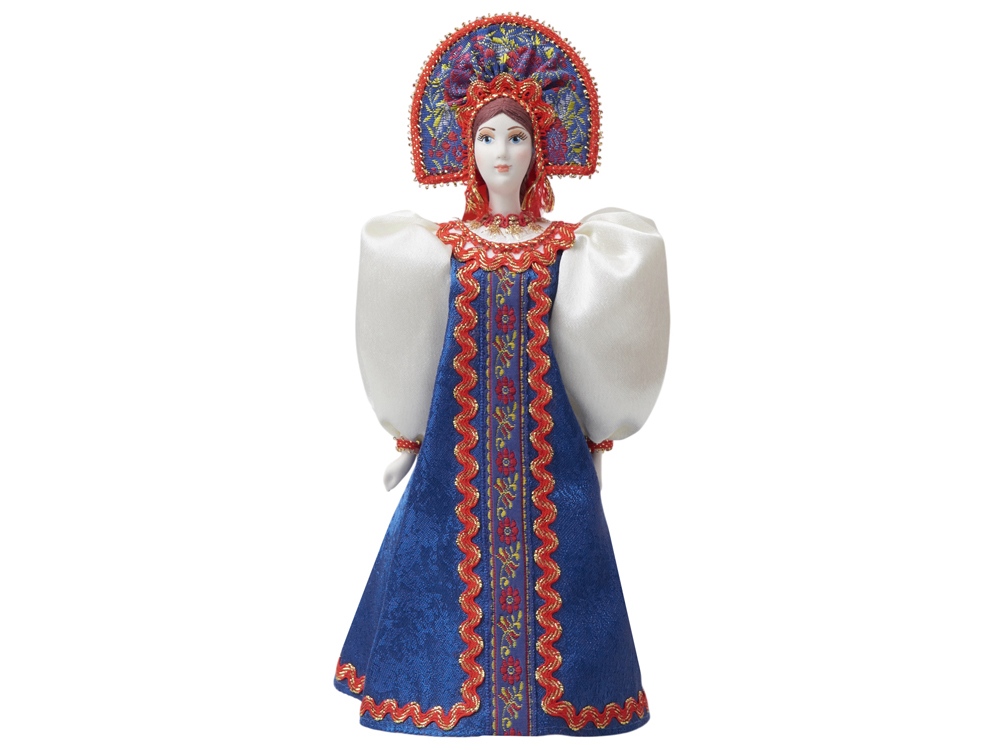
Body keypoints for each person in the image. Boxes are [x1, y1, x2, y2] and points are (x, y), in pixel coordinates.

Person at [335, 15, 669, 737]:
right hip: (456, 447)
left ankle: (561, 703)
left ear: (538, 148)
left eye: (516, 137)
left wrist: (599, 439)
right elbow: (412, 340)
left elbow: (591, 343)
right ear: (466, 148)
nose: (501, 153)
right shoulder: (440, 246)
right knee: (437, 561)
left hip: (549, 452)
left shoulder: (571, 246)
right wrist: (406, 435)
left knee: (567, 573)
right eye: (487, 137)